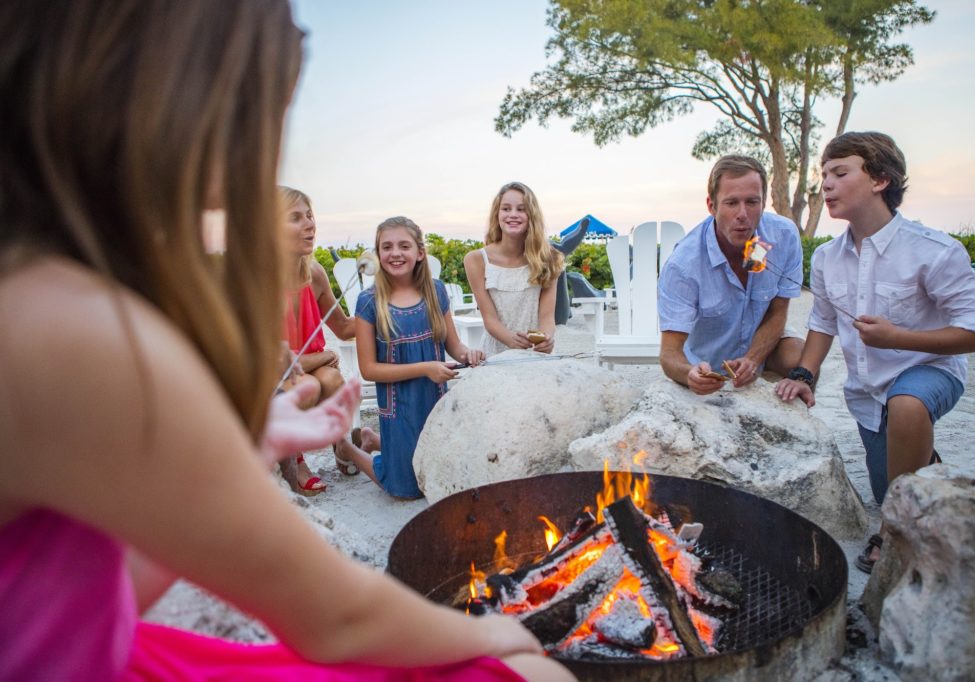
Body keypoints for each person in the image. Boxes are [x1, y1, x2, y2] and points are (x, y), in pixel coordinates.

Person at [0, 2, 573, 680]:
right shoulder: (83, 337)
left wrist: (243, 450)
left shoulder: (39, 295)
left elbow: (74, 587)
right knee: (528, 669)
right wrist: (504, 635)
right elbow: (337, 618)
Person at [775, 131, 975, 574]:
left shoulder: (934, 251)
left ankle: (891, 533)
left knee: (906, 416)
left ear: (880, 179)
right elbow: (821, 323)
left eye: (840, 173)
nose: (827, 185)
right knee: (891, 486)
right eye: (824, 176)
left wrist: (898, 337)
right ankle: (929, 468)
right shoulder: (825, 259)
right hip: (866, 392)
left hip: (929, 372)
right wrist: (803, 375)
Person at [334, 217, 484, 499]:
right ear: (378, 255)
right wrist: (425, 368)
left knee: (436, 474)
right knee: (405, 489)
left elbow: (454, 345)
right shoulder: (369, 301)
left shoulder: (436, 291)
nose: (395, 253)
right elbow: (368, 369)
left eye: (404, 246)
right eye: (386, 247)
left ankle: (373, 440)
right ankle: (349, 449)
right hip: (397, 403)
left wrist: (469, 354)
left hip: (434, 397)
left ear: (420, 252)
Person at [658, 155, 805, 393]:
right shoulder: (683, 265)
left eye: (752, 202)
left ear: (764, 202)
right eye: (731, 203)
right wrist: (689, 374)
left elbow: (779, 313)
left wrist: (752, 359)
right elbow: (669, 353)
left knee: (802, 361)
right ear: (711, 205)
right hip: (708, 362)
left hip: (765, 344)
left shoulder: (784, 236)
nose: (743, 214)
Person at [279, 186, 356, 494]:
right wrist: (324, 356)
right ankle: (296, 461)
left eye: (309, 215)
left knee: (333, 381)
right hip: (275, 375)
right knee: (303, 389)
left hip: (307, 365)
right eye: (295, 217)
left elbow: (344, 328)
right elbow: (279, 362)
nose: (309, 224)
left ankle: (341, 444)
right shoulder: (259, 280)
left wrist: (378, 307)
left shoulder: (315, 273)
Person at [464, 181, 563, 356]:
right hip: (496, 351)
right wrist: (511, 340)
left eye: (521, 209)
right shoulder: (476, 260)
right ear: (497, 214)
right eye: (506, 208)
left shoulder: (549, 258)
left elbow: (547, 317)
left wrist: (545, 339)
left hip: (535, 350)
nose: (513, 215)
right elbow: (490, 319)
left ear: (532, 215)